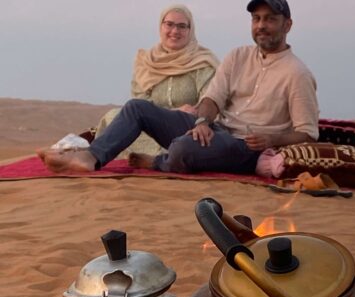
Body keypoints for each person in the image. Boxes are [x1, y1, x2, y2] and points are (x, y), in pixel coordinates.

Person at [38, 0, 319, 175]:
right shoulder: (238, 56)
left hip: (246, 147)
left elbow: (307, 132)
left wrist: (271, 141)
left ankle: (161, 161)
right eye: (257, 19)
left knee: (184, 147)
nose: (262, 25)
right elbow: (212, 98)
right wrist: (202, 120)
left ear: (288, 25)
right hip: (215, 132)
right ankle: (90, 158)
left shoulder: (297, 73)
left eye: (270, 19)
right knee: (136, 108)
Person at [95, 4, 219, 157]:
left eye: (182, 26)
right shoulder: (146, 61)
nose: (175, 31)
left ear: (190, 30)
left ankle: (157, 156)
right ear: (161, 26)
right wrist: (172, 112)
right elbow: (140, 102)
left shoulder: (202, 62)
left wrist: (182, 116)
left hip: (185, 126)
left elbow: (210, 101)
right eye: (169, 24)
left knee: (193, 135)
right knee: (113, 116)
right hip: (151, 125)